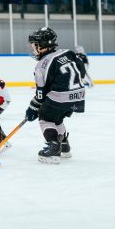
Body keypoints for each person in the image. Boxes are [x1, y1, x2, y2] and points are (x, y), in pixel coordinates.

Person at [25, 27, 86, 164]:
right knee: (56, 118)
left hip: (61, 96)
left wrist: (33, 108)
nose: (33, 49)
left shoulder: (42, 65)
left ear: (43, 46)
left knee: (45, 117)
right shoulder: (68, 53)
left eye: (34, 46)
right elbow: (81, 71)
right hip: (78, 95)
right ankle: (64, 146)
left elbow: (41, 95)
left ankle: (53, 146)